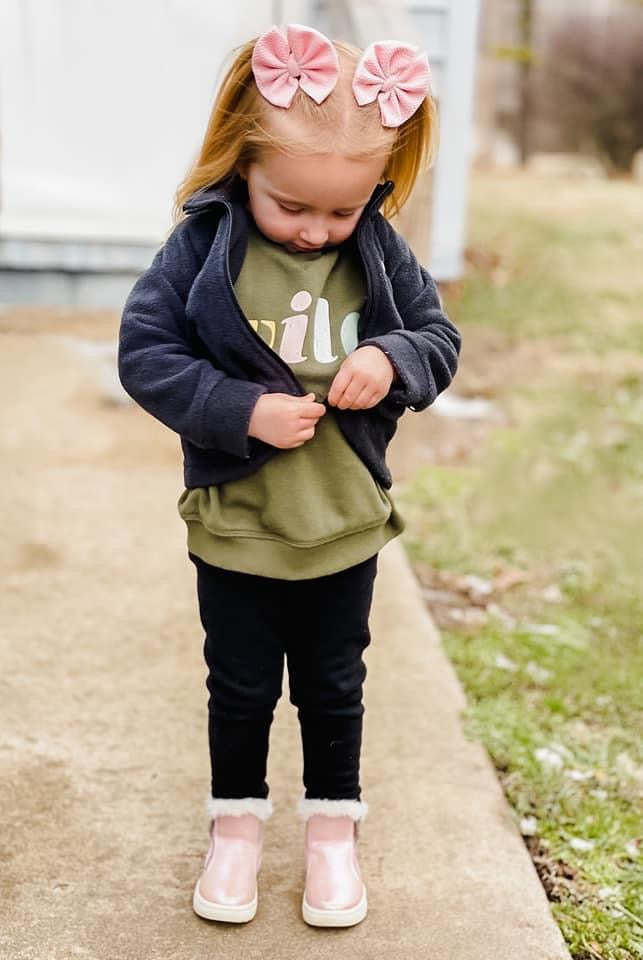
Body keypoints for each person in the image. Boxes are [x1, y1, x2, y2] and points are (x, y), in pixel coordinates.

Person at [117, 22, 461, 928]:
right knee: (237, 686)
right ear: (242, 166)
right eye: (291, 207)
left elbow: (437, 338)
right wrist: (238, 410)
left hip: (342, 520)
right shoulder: (202, 248)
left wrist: (390, 358)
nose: (315, 231)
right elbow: (146, 352)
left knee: (333, 683)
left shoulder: (377, 252)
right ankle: (234, 828)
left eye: (340, 212)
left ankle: (330, 834)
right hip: (236, 519)